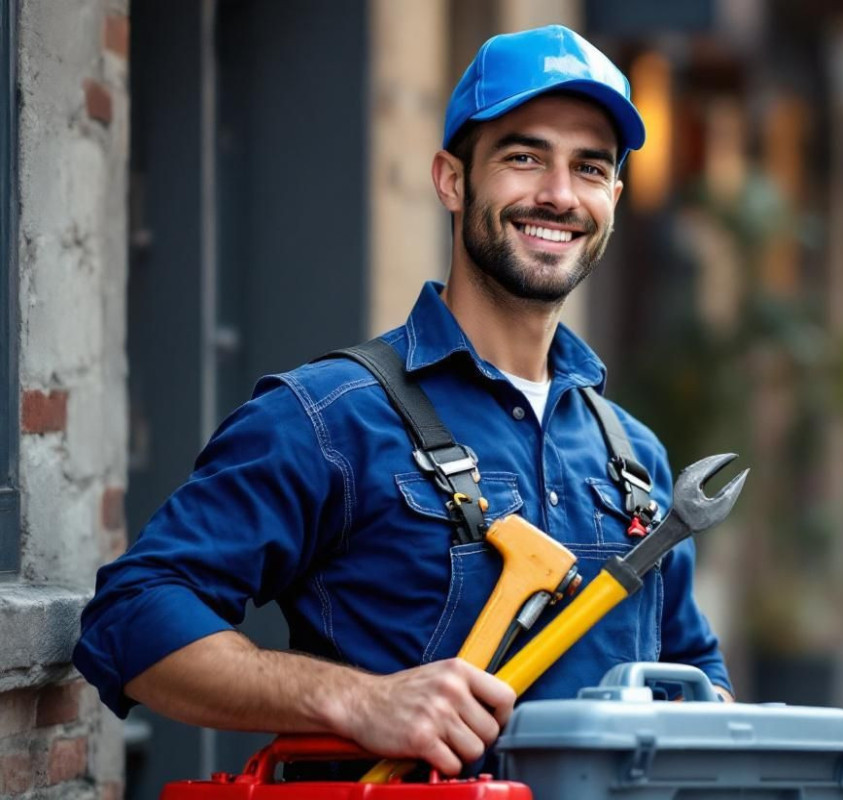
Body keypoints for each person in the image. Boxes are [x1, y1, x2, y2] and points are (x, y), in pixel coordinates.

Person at [75, 25, 731, 778]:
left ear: (612, 199)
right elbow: (133, 615)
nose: (558, 194)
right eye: (524, 157)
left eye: (589, 167)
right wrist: (357, 700)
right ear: (451, 180)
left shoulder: (634, 457)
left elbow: (695, 669)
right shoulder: (332, 417)